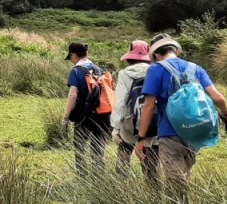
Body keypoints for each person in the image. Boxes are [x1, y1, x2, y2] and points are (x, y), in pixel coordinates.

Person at [137, 35, 227, 199]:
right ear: (175, 50)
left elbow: (149, 106)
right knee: (184, 176)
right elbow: (218, 98)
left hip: (169, 132)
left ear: (156, 55)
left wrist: (140, 138)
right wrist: (226, 113)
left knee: (176, 184)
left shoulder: (156, 69)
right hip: (194, 132)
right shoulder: (196, 68)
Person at [62, 42, 112, 177]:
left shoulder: (76, 71)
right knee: (98, 147)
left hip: (82, 116)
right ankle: (98, 175)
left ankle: (82, 176)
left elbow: (73, 94)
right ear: (87, 54)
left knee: (79, 145)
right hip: (101, 114)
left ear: (73, 55)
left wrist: (66, 117)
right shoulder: (99, 69)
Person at [111, 39, 159, 182]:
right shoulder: (156, 71)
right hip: (153, 121)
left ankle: (121, 187)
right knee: (150, 160)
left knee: (124, 153)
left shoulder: (125, 74)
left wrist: (116, 127)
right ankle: (152, 191)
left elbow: (119, 102)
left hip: (129, 123)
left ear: (130, 57)